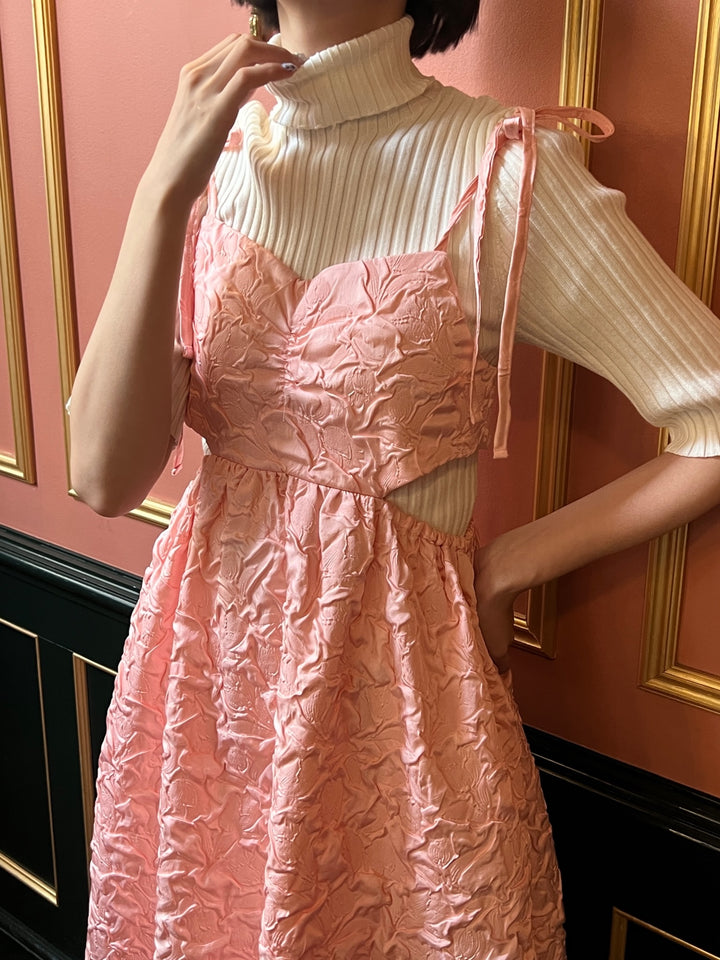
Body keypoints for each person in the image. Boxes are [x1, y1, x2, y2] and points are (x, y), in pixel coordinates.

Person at [69, 2, 720, 957]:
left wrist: (510, 565)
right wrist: (164, 186)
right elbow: (100, 475)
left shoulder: (499, 174)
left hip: (396, 714)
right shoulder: (215, 153)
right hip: (205, 686)